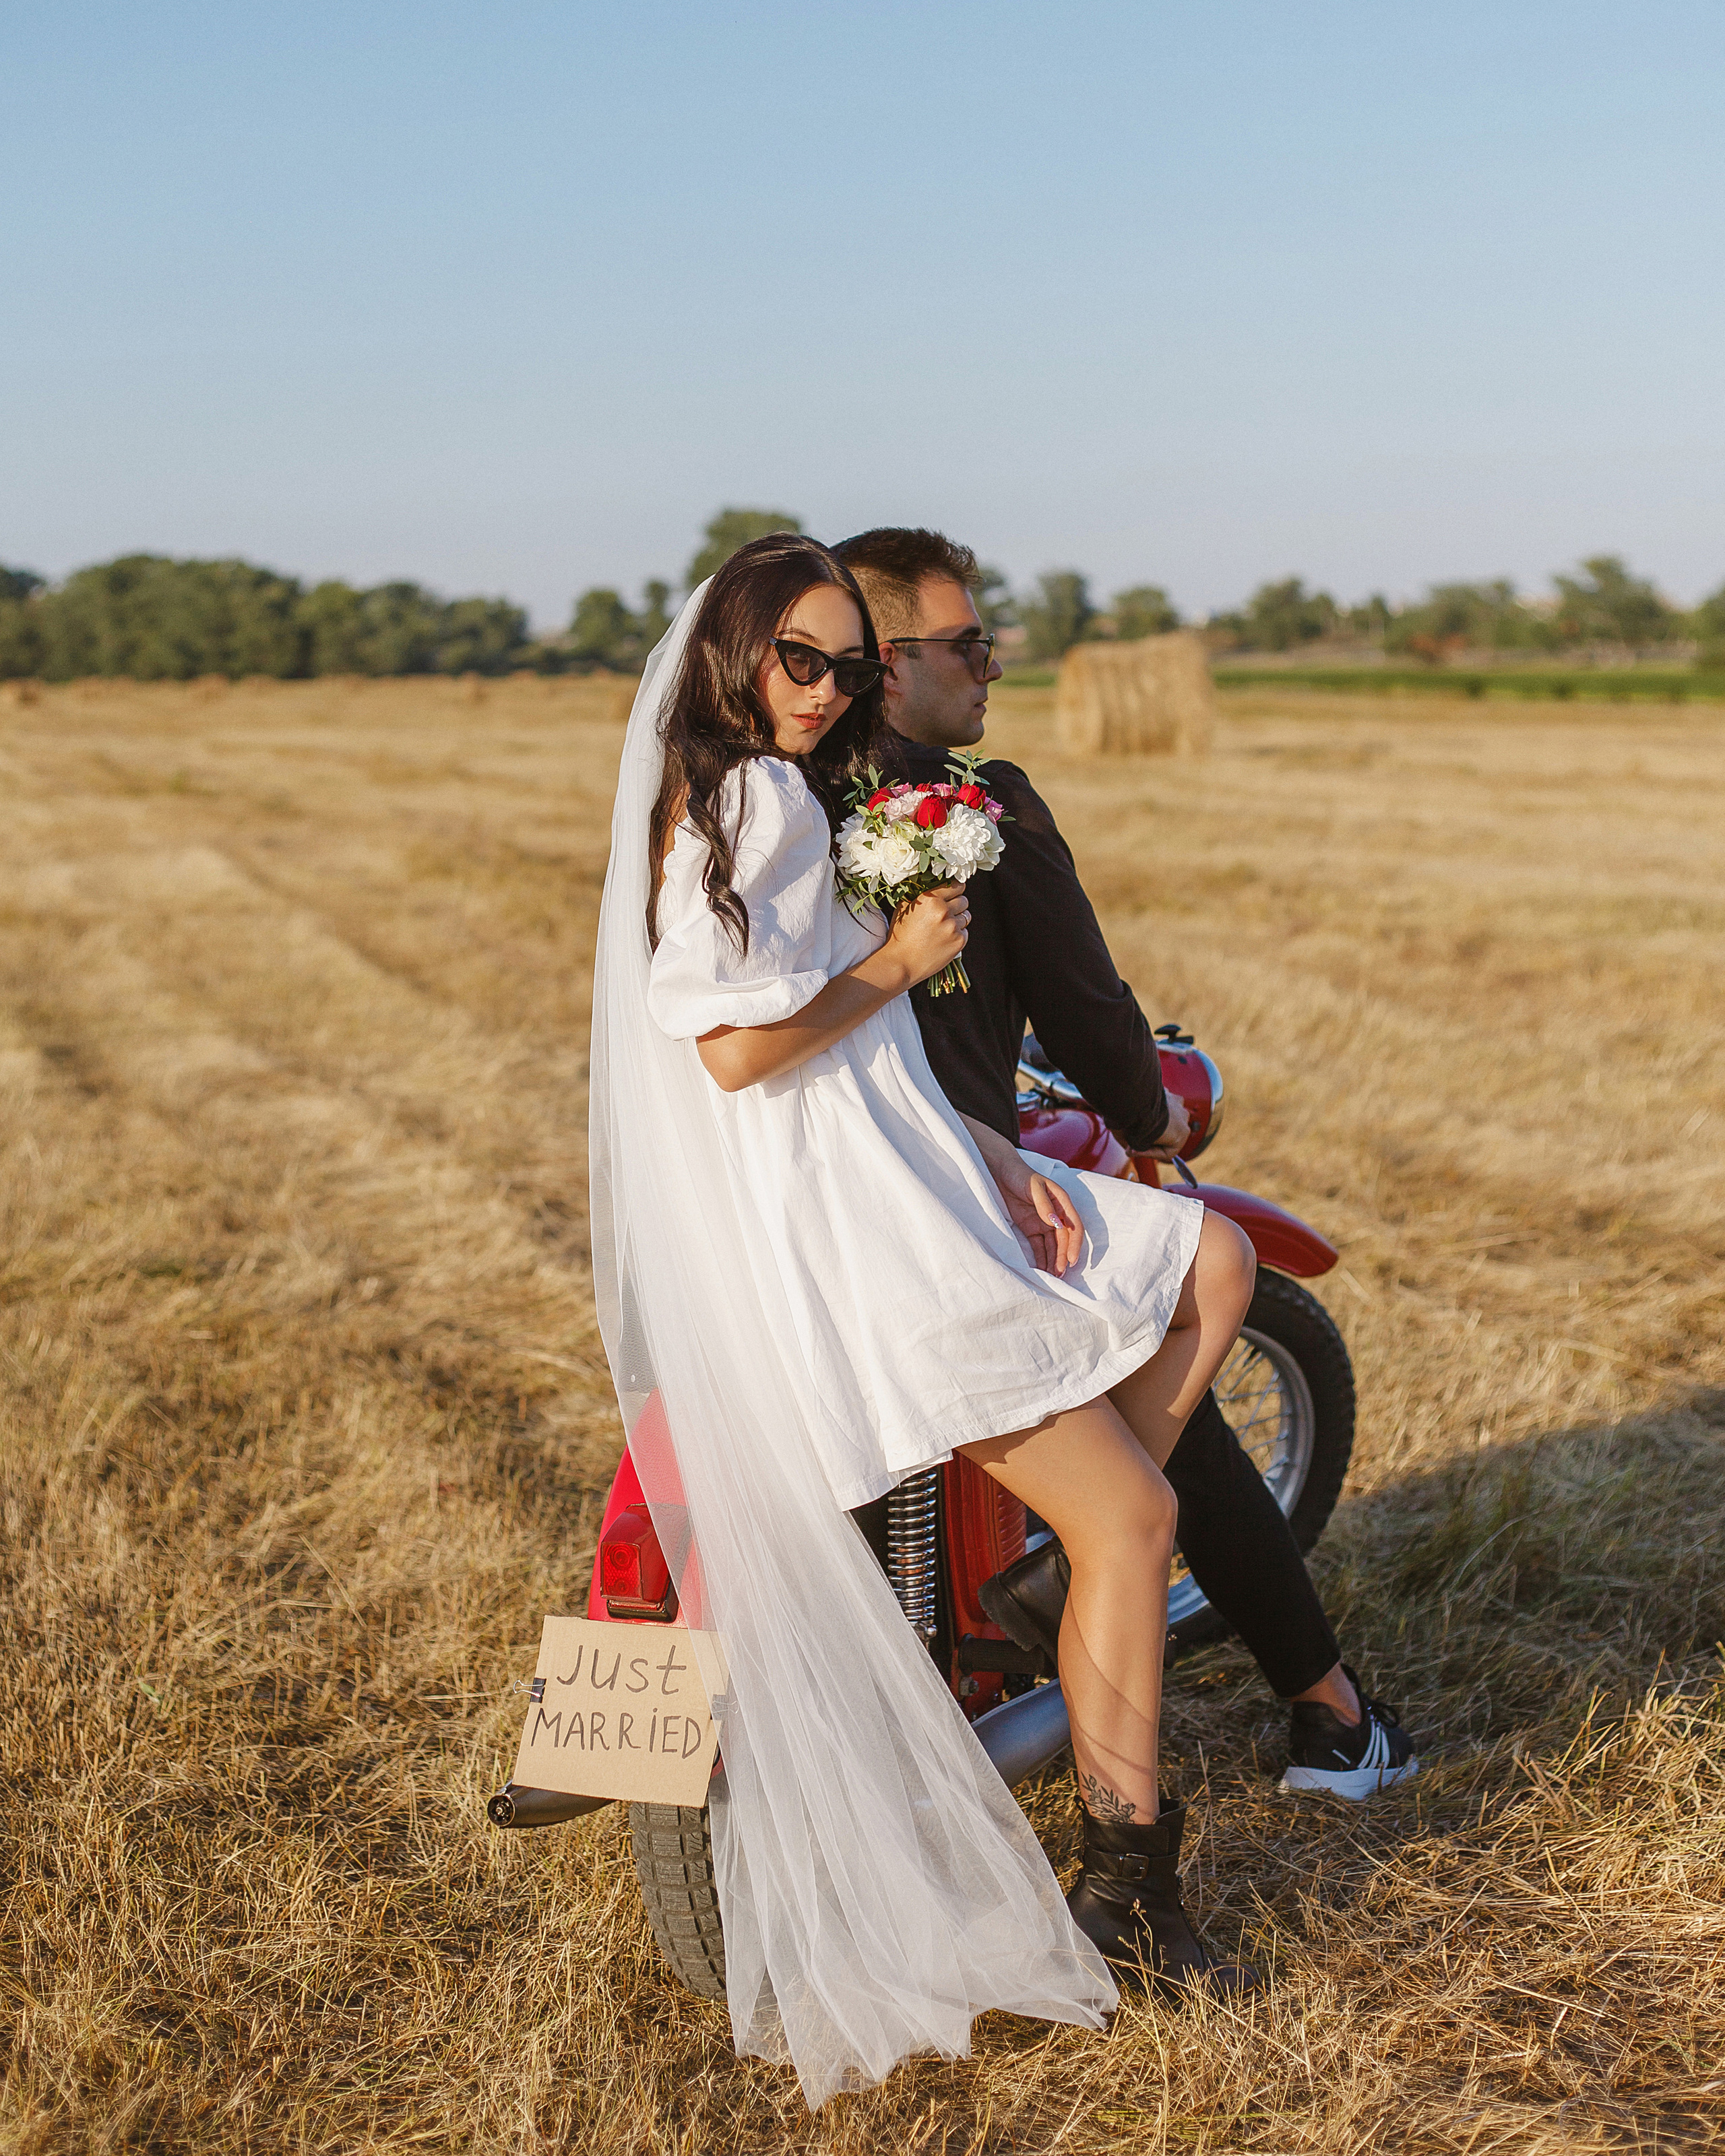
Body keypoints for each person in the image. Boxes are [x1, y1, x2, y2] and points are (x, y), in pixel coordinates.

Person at [590, 534, 1261, 2109]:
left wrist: (978, 1149)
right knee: (1141, 1504)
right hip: (864, 1232)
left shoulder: (751, 790)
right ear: (735, 657)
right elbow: (741, 1057)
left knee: (1200, 1264)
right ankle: (1128, 1888)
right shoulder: (752, 796)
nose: (823, 693)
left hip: (904, 1169)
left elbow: (845, 1055)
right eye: (797, 663)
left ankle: (1056, 1600)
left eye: (844, 667)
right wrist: (897, 956)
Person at [833, 526, 1417, 1802]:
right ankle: (1329, 1719)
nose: (996, 665)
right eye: (970, 643)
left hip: (799, 1199)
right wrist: (1152, 1121)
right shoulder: (974, 807)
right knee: (1171, 1386)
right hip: (953, 1191)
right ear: (887, 664)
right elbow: (1088, 1009)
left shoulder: (772, 805)